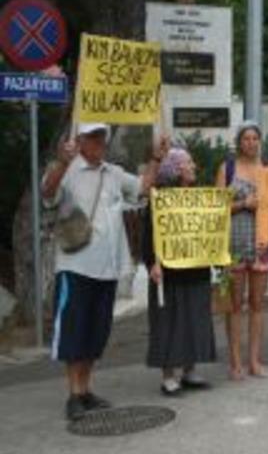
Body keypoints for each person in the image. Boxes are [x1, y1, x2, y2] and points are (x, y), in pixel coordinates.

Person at [42, 123, 167, 420]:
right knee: (75, 332)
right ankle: (73, 394)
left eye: (102, 137)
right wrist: (61, 161)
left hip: (108, 268)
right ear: (80, 140)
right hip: (76, 266)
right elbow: (47, 193)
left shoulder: (112, 172)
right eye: (92, 137)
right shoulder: (67, 168)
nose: (99, 142)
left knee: (96, 334)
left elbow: (143, 187)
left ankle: (85, 390)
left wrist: (157, 159)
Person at [142, 147, 216, 396]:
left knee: (194, 317)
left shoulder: (199, 196)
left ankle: (189, 370)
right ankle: (168, 375)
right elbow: (148, 233)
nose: (194, 166)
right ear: (176, 169)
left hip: (195, 268)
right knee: (169, 321)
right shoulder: (160, 197)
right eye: (189, 163)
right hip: (169, 272)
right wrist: (152, 262)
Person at [215, 122, 268, 381]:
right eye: (246, 138)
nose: (251, 143)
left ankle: (255, 360)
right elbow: (216, 208)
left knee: (258, 305)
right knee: (235, 306)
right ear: (239, 142)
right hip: (234, 245)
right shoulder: (226, 169)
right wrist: (243, 203)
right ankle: (235, 361)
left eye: (255, 138)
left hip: (262, 245)